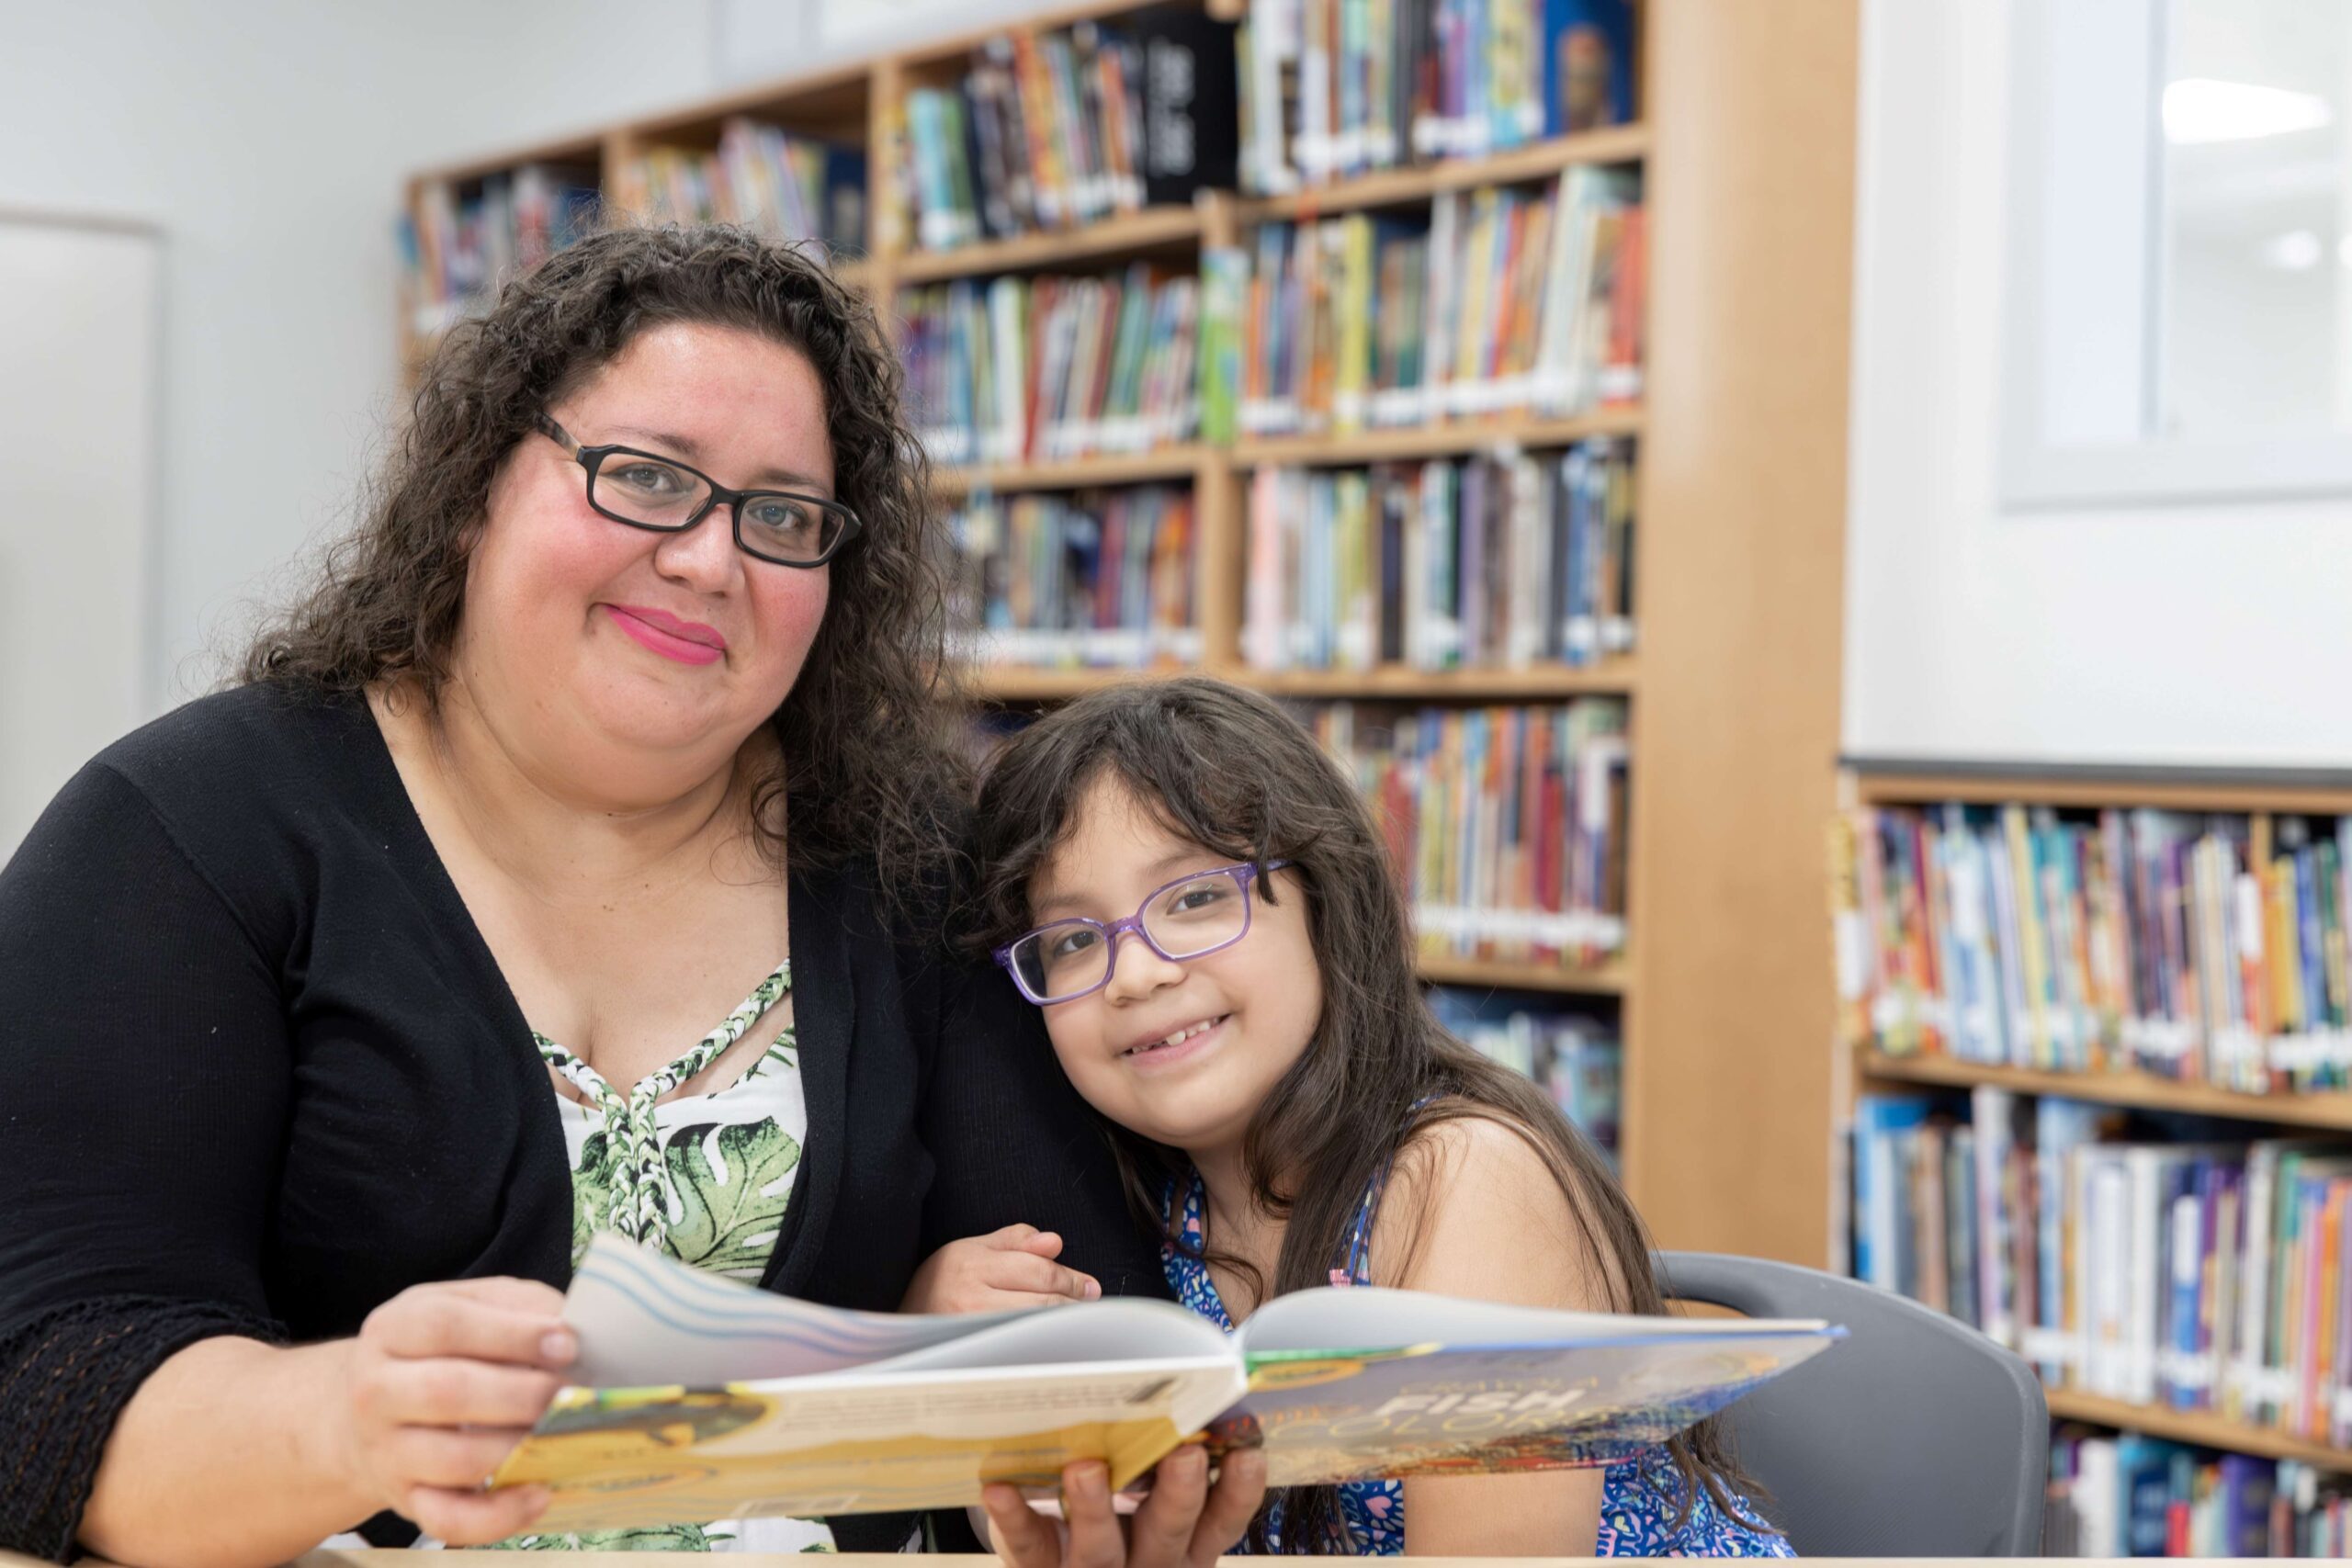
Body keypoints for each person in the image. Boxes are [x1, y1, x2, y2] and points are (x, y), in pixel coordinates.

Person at [0, 225, 1252, 1567]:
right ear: (479, 480)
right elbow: (48, 1393)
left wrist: (1092, 1471)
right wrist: (350, 1419)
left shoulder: (914, 867)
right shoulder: (184, 831)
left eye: (781, 516)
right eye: (646, 477)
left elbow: (1085, 1317)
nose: (712, 559)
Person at [964, 676, 1794, 1558]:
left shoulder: (1467, 1179)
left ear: (1326, 900)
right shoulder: (1137, 1218)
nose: (1134, 974)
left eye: (1197, 897)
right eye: (1073, 940)